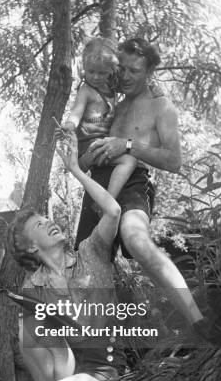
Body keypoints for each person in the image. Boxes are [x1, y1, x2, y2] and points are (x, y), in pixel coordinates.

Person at [71, 36, 207, 333]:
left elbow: (173, 161)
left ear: (149, 73)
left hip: (133, 183)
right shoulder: (111, 103)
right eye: (123, 69)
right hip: (98, 185)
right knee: (83, 263)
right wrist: (87, 157)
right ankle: (92, 352)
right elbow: (81, 159)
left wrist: (129, 145)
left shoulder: (162, 106)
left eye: (135, 70)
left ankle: (199, 322)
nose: (126, 76)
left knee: (136, 239)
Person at [7, 131, 127, 381]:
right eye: (40, 225)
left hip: (106, 370)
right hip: (73, 374)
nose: (51, 224)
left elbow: (114, 211)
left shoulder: (92, 251)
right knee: (26, 328)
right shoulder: (35, 287)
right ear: (31, 246)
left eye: (49, 219)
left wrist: (75, 168)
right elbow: (46, 351)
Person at [63, 37, 137, 199]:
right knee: (130, 161)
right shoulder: (86, 90)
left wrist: (151, 88)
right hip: (89, 147)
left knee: (128, 149)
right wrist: (69, 125)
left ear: (111, 71)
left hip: (101, 145)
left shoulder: (111, 87)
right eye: (91, 71)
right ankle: (107, 201)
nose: (95, 77)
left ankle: (105, 197)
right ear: (84, 68)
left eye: (102, 73)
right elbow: (77, 111)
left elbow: (133, 87)